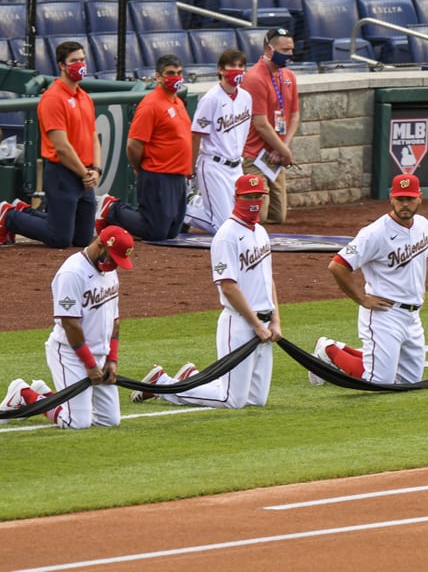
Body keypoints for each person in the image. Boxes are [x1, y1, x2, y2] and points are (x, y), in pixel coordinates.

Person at [131, 175, 282, 408]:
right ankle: (164, 385)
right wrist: (256, 325)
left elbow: (268, 278)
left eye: (258, 197)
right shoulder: (226, 236)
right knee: (231, 399)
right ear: (236, 197)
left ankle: (190, 379)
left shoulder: (260, 232)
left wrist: (275, 321)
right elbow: (228, 287)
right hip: (240, 324)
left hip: (264, 323)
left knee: (255, 400)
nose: (254, 202)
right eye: (248, 197)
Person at [0, 226, 135, 428]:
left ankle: (44, 394)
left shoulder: (110, 274)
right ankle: (24, 394)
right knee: (77, 423)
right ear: (100, 245)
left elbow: (115, 320)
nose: (114, 265)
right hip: (70, 354)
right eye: (113, 258)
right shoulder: (72, 273)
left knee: (109, 420)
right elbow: (70, 323)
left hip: (100, 354)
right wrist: (90, 365)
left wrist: (112, 359)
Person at [313, 174, 428, 384]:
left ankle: (341, 350)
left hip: (413, 315)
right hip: (384, 313)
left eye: (410, 199)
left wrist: (418, 291)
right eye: (400, 198)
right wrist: (361, 298)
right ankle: (327, 349)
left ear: (420, 198)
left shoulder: (423, 225)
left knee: (409, 382)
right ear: (391, 198)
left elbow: (422, 260)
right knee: (378, 381)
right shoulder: (375, 233)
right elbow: (338, 266)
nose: (405, 204)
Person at [0, 41, 101, 248]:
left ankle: (24, 210)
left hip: (85, 174)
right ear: (62, 65)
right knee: (60, 239)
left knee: (82, 239)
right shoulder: (53, 98)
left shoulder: (84, 97)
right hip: (62, 173)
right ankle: (9, 214)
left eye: (82, 59)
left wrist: (96, 170)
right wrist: (85, 175)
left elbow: (93, 137)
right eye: (74, 61)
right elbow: (61, 147)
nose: (80, 64)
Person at [95, 54, 192, 241]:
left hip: (178, 175)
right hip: (158, 173)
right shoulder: (150, 104)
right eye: (170, 73)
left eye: (179, 73)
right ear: (159, 76)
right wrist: (142, 168)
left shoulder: (177, 102)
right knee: (155, 232)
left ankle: (115, 211)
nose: (176, 77)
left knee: (172, 232)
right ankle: (112, 209)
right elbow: (133, 145)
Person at [183, 49, 253, 234]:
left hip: (236, 166)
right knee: (224, 227)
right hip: (214, 165)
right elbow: (196, 134)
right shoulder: (211, 99)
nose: (236, 70)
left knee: (241, 220)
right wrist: (190, 170)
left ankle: (196, 204)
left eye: (240, 66)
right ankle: (183, 209)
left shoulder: (246, 98)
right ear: (220, 70)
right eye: (231, 66)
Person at [240, 27, 299, 225]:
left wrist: (283, 148)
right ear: (269, 50)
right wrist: (285, 153)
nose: (289, 54)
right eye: (284, 50)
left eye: (291, 50)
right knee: (258, 215)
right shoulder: (255, 77)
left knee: (278, 216)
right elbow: (261, 124)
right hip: (255, 155)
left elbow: (294, 115)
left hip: (275, 155)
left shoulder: (288, 76)